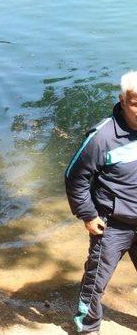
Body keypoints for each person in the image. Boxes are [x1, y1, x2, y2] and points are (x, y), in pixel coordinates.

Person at [65, 71, 137, 334]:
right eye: (135, 103)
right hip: (111, 224)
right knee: (96, 280)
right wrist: (87, 215)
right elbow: (75, 177)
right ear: (122, 100)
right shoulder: (102, 137)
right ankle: (87, 326)